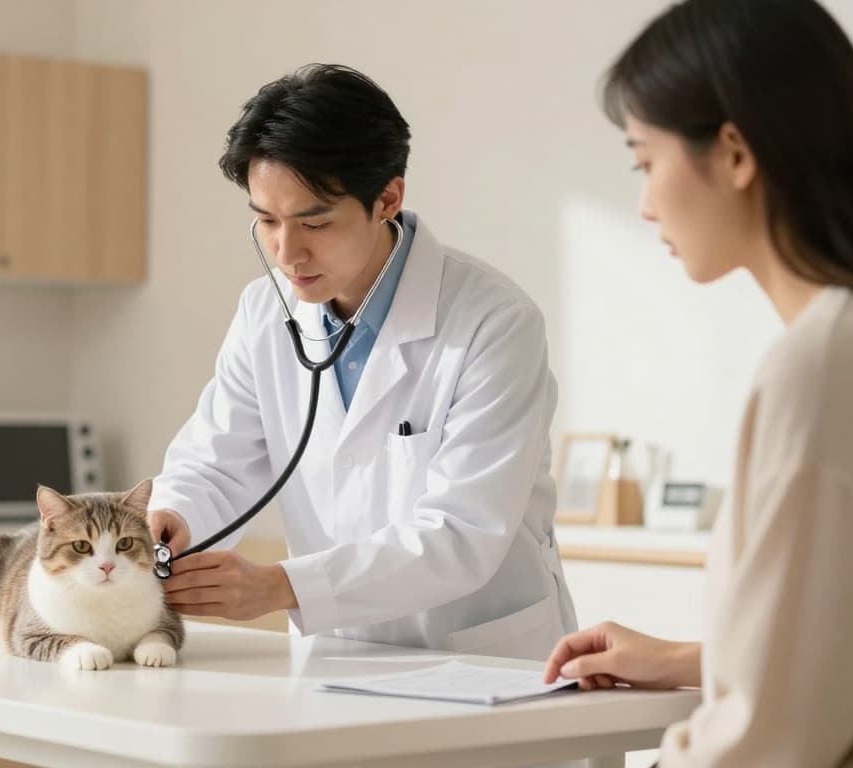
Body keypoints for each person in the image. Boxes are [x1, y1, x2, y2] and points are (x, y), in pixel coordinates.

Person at [542, 0, 853, 764]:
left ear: (736, 153)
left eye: (646, 163)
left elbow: (773, 741)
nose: (644, 205)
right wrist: (687, 658)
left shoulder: (829, 367)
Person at [145, 64, 576, 658]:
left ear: (387, 198)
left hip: (479, 659)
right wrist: (174, 516)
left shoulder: (493, 322)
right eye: (266, 221)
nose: (287, 252)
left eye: (314, 222)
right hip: (339, 655)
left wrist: (280, 585)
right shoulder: (264, 314)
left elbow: (463, 533)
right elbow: (219, 465)